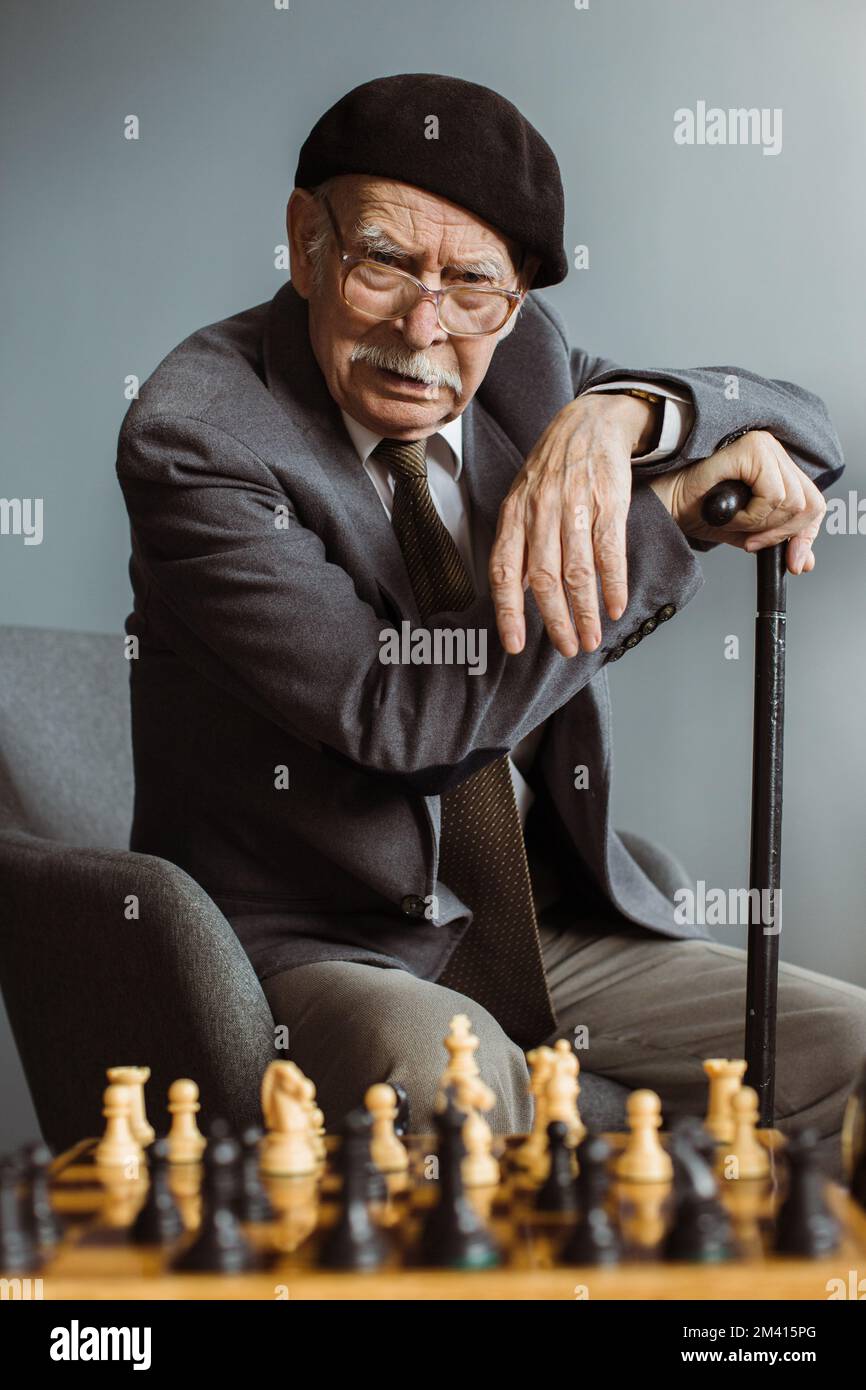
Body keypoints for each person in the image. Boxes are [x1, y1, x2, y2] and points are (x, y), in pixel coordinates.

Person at [116, 74, 865, 1173]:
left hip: (542, 919)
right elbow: (396, 717)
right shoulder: (197, 433)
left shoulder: (521, 364)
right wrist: (649, 520)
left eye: (471, 283)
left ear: (513, 298)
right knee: (451, 1078)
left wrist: (624, 414)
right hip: (324, 943)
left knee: (849, 1046)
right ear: (304, 242)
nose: (425, 330)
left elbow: (798, 431)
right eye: (384, 263)